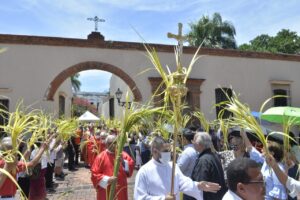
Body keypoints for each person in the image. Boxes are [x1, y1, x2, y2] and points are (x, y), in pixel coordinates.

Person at [134, 136, 221, 200]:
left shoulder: (172, 166)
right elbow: (139, 197)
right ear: (154, 151)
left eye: (169, 151)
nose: (168, 154)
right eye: (165, 151)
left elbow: (184, 183)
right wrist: (163, 199)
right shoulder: (144, 172)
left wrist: (198, 185)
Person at [241, 130, 287, 200]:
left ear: (272, 153)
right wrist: (244, 135)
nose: (262, 150)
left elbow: (279, 195)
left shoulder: (278, 169)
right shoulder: (266, 162)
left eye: (265, 148)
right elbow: (251, 150)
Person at [91, 135, 135, 200]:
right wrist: (107, 179)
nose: (114, 145)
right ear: (106, 144)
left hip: (120, 188)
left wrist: (123, 162)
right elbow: (94, 174)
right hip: (106, 189)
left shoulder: (122, 154)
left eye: (115, 143)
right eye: (111, 143)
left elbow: (131, 164)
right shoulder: (100, 157)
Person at [190, 132, 227, 200]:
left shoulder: (203, 160)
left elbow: (200, 184)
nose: (192, 143)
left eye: (193, 141)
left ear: (199, 144)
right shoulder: (213, 156)